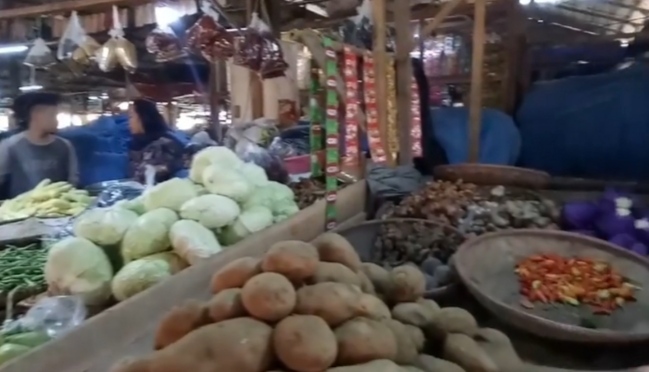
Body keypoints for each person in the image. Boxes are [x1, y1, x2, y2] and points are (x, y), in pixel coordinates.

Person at [0, 92, 78, 199]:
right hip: (21, 211)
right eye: (53, 115)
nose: (56, 121)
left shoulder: (64, 145)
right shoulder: (10, 146)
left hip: (58, 209)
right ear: (36, 115)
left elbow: (73, 181)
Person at [128, 98, 186, 184]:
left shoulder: (163, 146)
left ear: (142, 118)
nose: (129, 122)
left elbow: (147, 180)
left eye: (131, 117)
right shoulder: (137, 144)